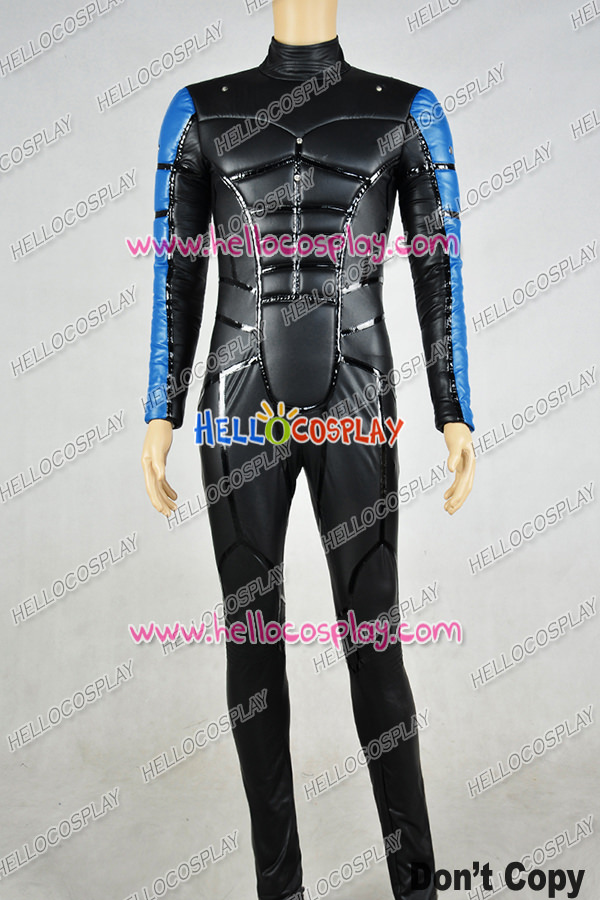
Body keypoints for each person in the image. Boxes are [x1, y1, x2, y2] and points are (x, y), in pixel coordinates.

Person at [141, 2, 476, 897]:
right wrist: (160, 411)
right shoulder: (197, 111)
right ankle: (277, 888)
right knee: (253, 646)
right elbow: (177, 270)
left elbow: (438, 264)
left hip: (357, 397)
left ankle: (416, 884)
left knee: (375, 640)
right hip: (236, 405)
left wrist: (455, 410)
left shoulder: (407, 110)